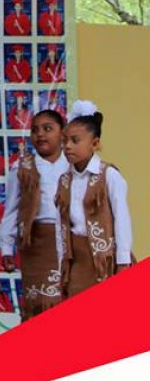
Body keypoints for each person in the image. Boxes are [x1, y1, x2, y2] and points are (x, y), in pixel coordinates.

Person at [56, 101, 134, 298]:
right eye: (65, 141)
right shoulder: (64, 180)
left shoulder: (109, 175)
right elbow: (61, 224)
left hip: (105, 261)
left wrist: (123, 261)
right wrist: (61, 261)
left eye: (75, 141)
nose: (67, 147)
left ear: (95, 143)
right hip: (76, 261)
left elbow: (122, 218)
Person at [0, 109, 68, 320]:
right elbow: (11, 210)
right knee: (39, 304)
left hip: (71, 242)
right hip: (37, 245)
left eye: (48, 129)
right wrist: (6, 248)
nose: (40, 135)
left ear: (62, 134)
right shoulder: (21, 167)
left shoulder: (74, 164)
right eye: (35, 130)